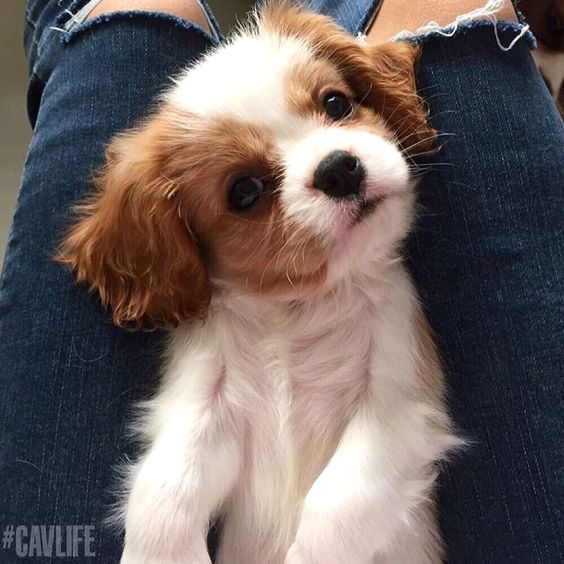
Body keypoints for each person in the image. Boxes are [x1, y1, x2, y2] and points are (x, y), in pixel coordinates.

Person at [0, 0, 562, 562]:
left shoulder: (380, 290)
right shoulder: (221, 319)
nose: (334, 162)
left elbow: (402, 426)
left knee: (122, 36)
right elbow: (194, 444)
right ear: (183, 241)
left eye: (336, 105)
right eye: (246, 192)